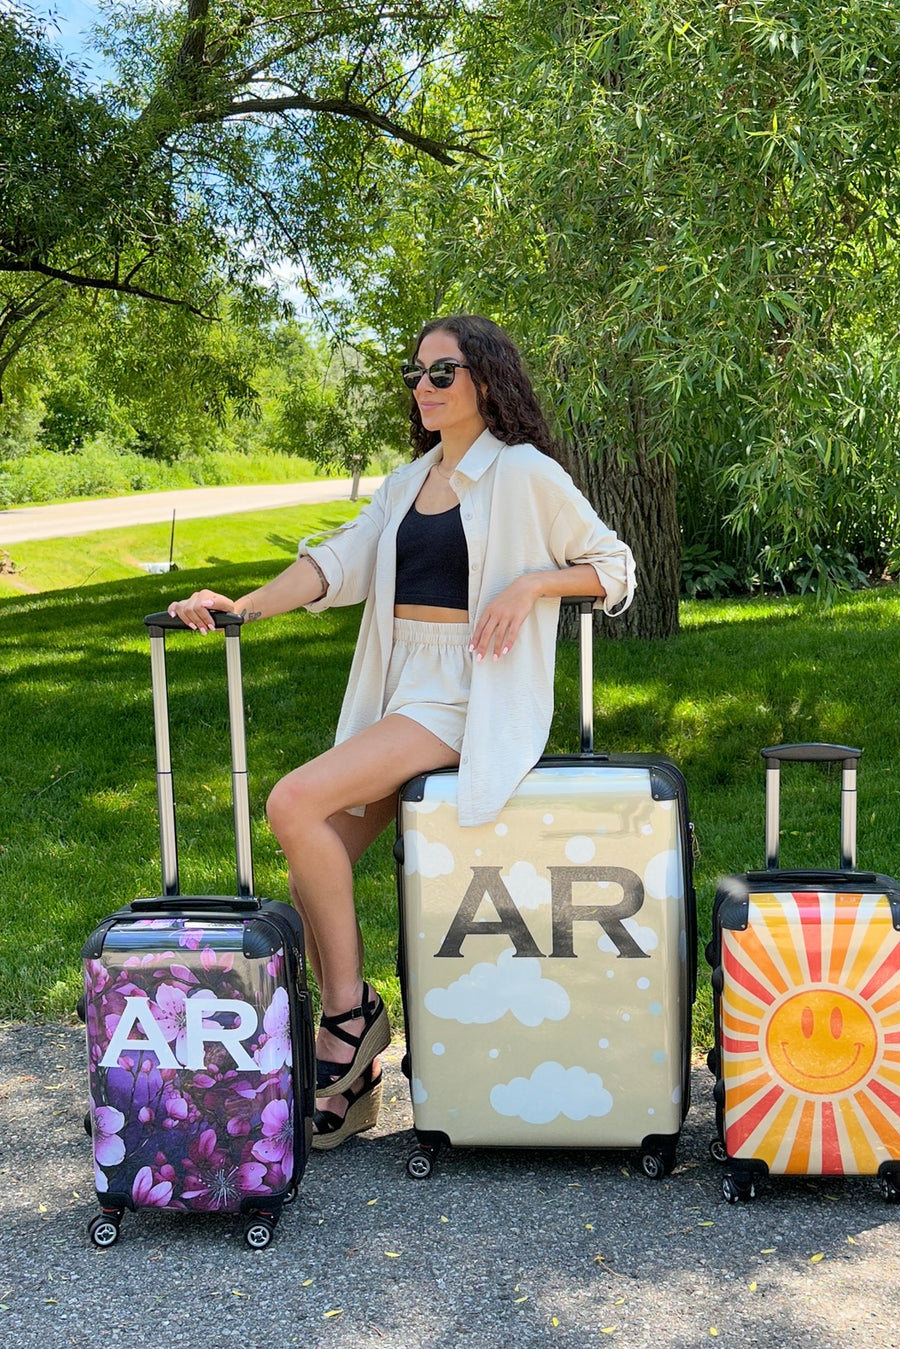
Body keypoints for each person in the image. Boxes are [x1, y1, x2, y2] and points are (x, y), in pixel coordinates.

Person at [168, 314, 636, 1149]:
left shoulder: (524, 473)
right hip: (402, 692)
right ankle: (356, 1089)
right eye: (416, 374)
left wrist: (531, 583)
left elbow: (614, 566)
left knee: (293, 801)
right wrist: (241, 605)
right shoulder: (407, 482)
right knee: (322, 855)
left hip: (466, 695)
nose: (423, 387)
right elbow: (335, 563)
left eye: (442, 372)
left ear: (485, 380)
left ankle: (349, 1018)